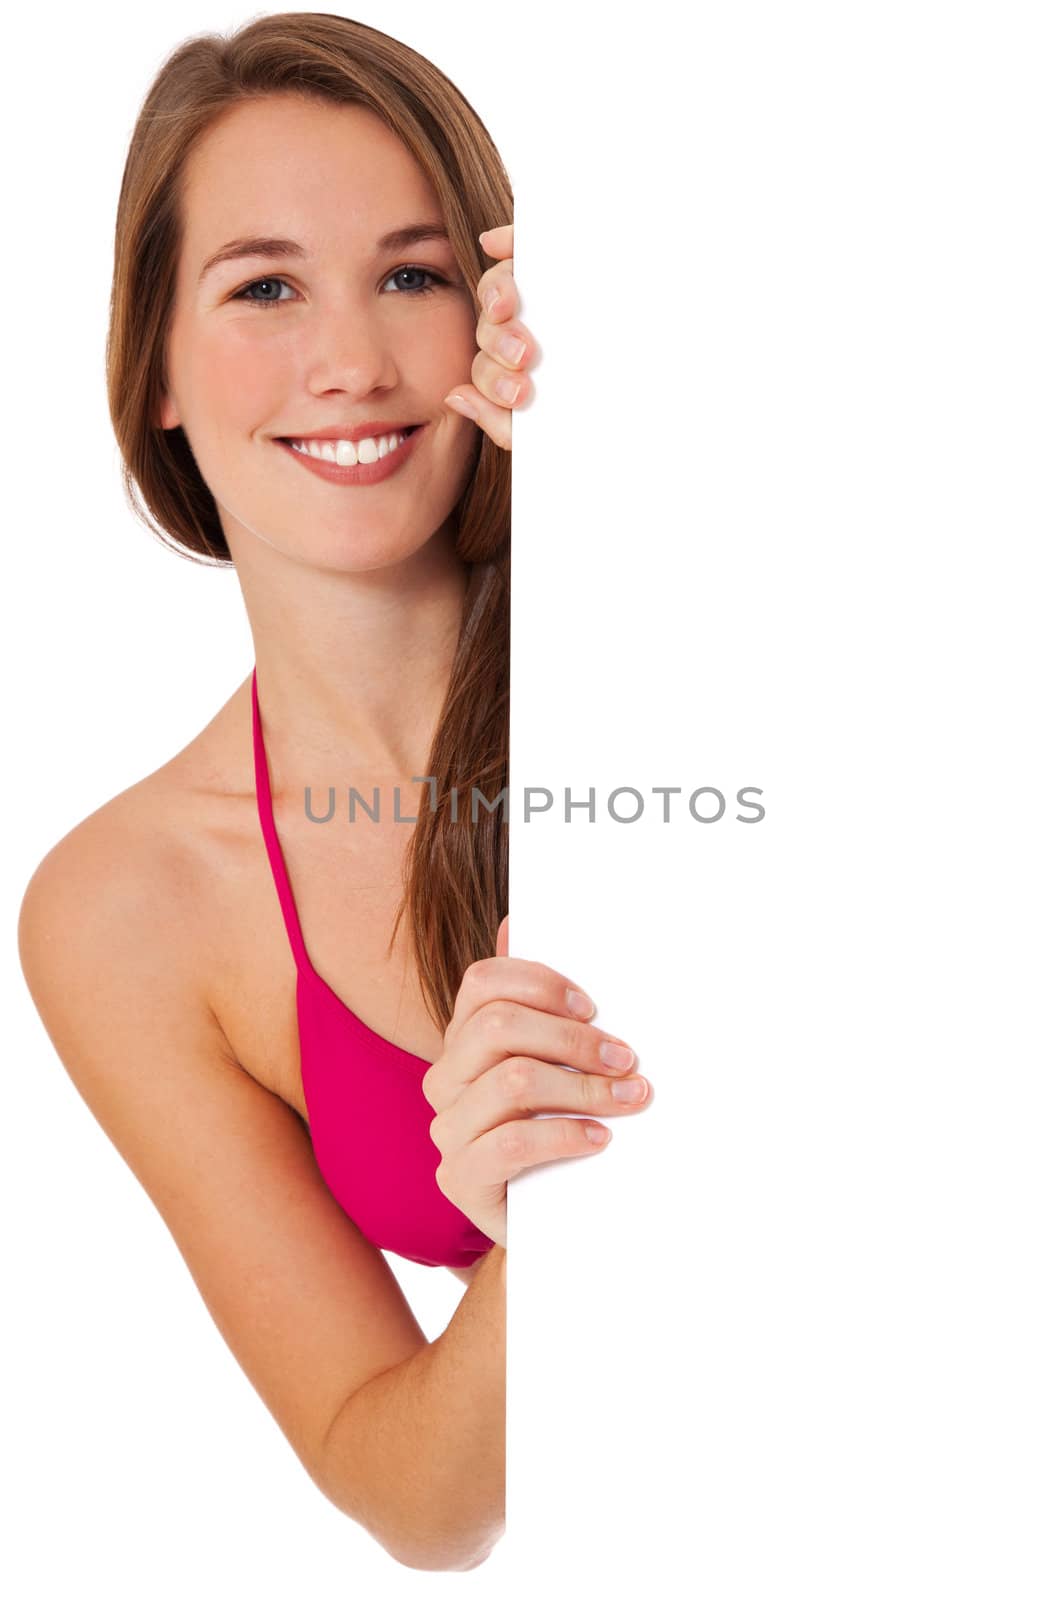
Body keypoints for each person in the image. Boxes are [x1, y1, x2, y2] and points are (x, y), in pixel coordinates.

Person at [16, 10, 653, 1575]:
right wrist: (552, 1239)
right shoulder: (124, 911)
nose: (352, 362)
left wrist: (647, 472)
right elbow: (414, 1496)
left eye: (414, 276)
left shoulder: (672, 642)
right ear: (153, 365)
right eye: (265, 287)